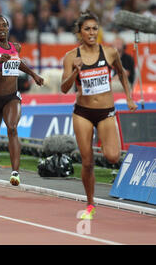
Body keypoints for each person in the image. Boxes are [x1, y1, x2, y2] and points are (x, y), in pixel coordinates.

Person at [60, 11, 137, 219]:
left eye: (95, 28)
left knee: (113, 156)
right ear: (79, 32)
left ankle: (102, 138)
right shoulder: (70, 57)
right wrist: (75, 71)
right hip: (83, 113)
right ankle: (90, 204)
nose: (92, 32)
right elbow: (64, 88)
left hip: (106, 112)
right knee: (87, 162)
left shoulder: (110, 52)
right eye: (87, 29)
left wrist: (129, 98)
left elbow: (121, 73)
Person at [0, 15, 44, 186]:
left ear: (8, 28)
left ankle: (15, 172)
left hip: (11, 97)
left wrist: (33, 74)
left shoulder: (16, 47)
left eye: (4, 26)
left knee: (12, 128)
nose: (2, 29)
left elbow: (19, 63)